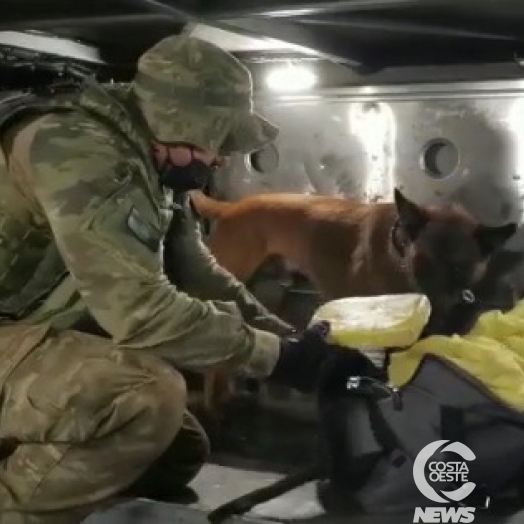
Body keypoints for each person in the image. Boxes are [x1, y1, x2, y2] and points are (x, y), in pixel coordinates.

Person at [0, 34, 355, 523]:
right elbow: (141, 312)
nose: (222, 160)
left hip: (17, 337)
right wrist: (278, 360)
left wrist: (296, 344)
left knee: (177, 451)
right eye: (218, 142)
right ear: (182, 124)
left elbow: (197, 274)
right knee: (143, 400)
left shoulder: (146, 155)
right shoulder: (77, 151)